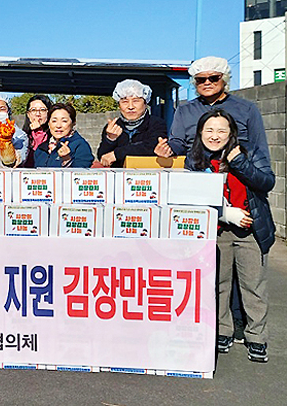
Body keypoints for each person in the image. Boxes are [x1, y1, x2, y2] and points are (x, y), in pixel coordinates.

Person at [185, 109, 275, 363]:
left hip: (251, 230)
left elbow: (266, 182)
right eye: (209, 130)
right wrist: (225, 214)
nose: (215, 136)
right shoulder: (194, 160)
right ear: (200, 132)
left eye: (221, 130)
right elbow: (191, 196)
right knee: (219, 284)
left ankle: (256, 337)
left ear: (231, 133)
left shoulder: (249, 152)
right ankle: (222, 332)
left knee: (253, 286)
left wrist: (239, 163)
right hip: (216, 230)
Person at [156, 56, 270, 167]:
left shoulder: (247, 109)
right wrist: (167, 149)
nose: (207, 83)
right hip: (197, 170)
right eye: (201, 79)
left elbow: (259, 147)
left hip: (236, 171)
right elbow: (178, 142)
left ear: (224, 80)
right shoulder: (184, 110)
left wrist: (262, 173)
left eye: (213, 78)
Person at [97, 79, 166, 167]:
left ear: (145, 103)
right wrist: (110, 140)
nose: (130, 107)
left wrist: (117, 154)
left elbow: (152, 145)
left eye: (136, 101)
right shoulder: (113, 127)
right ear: (119, 105)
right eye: (125, 102)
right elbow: (103, 157)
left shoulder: (156, 124)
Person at [34, 103, 94, 168]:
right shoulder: (41, 149)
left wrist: (66, 160)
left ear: (73, 123)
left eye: (64, 121)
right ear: (48, 123)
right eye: (54, 121)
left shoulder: (80, 145)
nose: (58, 126)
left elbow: (82, 172)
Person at [21, 95, 53, 168]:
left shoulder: (55, 137)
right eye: (33, 110)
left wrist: (38, 132)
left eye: (42, 110)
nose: (38, 114)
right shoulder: (21, 136)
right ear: (28, 114)